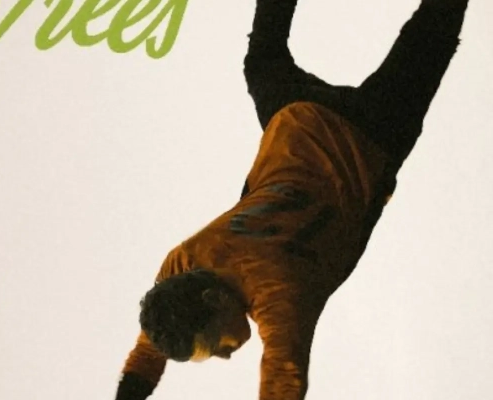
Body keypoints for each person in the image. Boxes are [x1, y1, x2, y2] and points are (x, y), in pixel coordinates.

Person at [114, 0, 470, 399]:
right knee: (262, 58)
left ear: (214, 299)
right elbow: (149, 349)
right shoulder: (182, 262)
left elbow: (283, 379)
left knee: (429, 40)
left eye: (213, 345)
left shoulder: (278, 295)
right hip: (294, 117)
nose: (224, 355)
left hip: (369, 138)